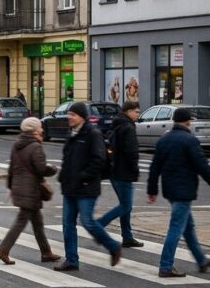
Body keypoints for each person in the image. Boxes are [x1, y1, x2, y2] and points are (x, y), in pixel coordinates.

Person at [55, 102, 122, 271]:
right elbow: (67, 158)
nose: (69, 117)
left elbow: (99, 159)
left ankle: (113, 246)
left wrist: (84, 177)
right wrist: (63, 176)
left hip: (86, 187)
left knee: (88, 222)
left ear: (82, 117)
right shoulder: (71, 133)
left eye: (73, 115)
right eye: (69, 114)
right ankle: (71, 259)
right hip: (70, 187)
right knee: (67, 224)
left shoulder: (93, 134)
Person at [147, 107, 210, 277]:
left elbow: (154, 167)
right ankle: (166, 265)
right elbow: (202, 166)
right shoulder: (190, 140)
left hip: (170, 190)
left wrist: (152, 189)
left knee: (187, 227)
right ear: (188, 121)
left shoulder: (164, 140)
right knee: (176, 227)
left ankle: (201, 260)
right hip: (184, 190)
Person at [0, 117, 61, 265]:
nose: (42, 130)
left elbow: (11, 169)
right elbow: (40, 169)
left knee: (38, 222)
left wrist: (11, 187)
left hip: (20, 187)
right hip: (30, 189)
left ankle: (46, 252)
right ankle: (3, 250)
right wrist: (53, 169)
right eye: (40, 127)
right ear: (34, 130)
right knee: (21, 221)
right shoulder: (35, 146)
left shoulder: (16, 145)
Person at [98, 101, 144, 248]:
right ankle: (99, 225)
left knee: (125, 205)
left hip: (114, 170)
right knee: (125, 205)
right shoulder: (128, 127)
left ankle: (127, 236)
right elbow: (131, 152)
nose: (138, 114)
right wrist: (135, 170)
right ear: (129, 111)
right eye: (136, 111)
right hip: (123, 172)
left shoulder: (117, 124)